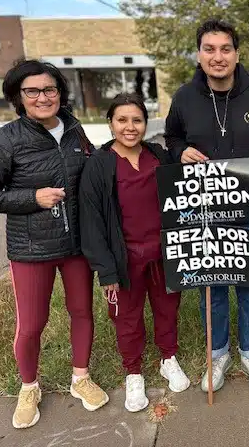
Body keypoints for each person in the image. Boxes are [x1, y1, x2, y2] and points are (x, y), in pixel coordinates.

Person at [0, 60, 108, 429]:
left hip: (77, 245)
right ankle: (29, 387)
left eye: (50, 89)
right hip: (31, 249)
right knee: (31, 324)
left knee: (82, 312)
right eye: (32, 91)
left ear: (60, 92)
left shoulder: (75, 131)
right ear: (19, 96)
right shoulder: (5, 140)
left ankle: (81, 377)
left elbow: (93, 173)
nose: (43, 97)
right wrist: (32, 197)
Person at [164, 19, 249, 392]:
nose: (218, 57)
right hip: (203, 209)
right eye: (209, 49)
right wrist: (181, 151)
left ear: (237, 54)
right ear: (199, 55)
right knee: (210, 287)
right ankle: (218, 354)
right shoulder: (184, 97)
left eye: (225, 49)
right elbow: (172, 137)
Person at [79, 93, 190, 412]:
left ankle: (168, 357)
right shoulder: (99, 165)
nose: (130, 127)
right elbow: (92, 221)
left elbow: (185, 193)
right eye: (122, 120)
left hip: (164, 252)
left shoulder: (159, 155)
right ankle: (133, 372)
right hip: (124, 258)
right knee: (127, 318)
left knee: (167, 308)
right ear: (110, 123)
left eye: (137, 120)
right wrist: (106, 270)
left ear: (146, 123)